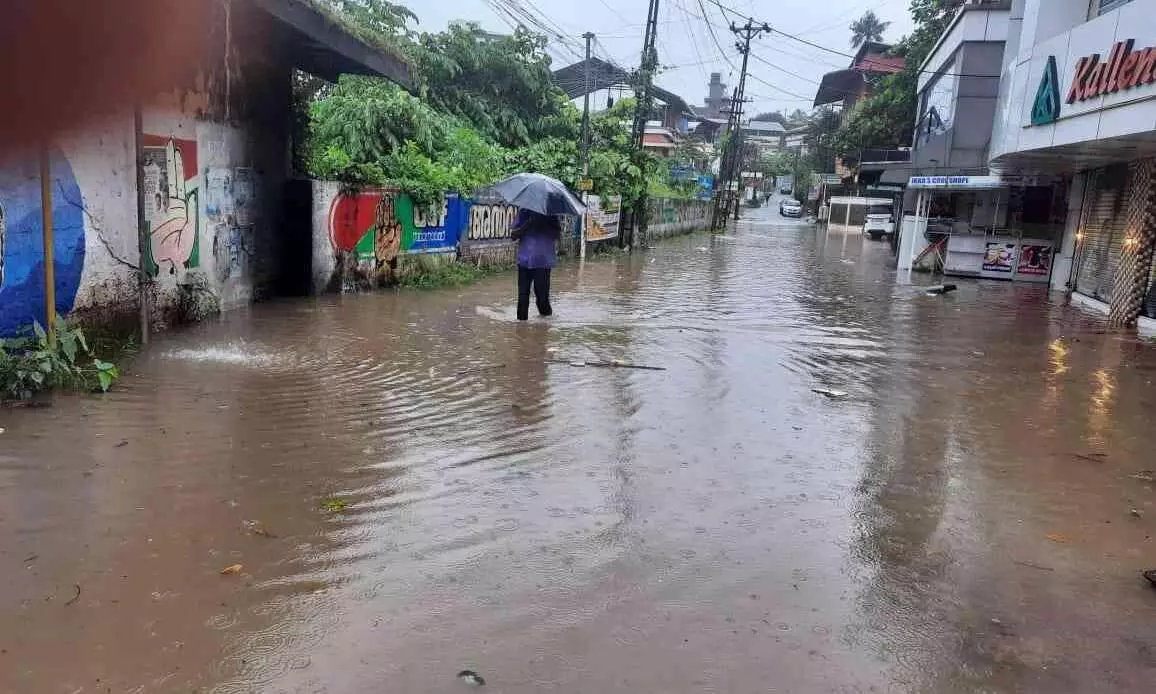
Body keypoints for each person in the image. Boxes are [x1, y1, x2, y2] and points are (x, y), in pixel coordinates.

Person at [510, 209, 560, 321]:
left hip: (543, 263)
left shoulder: (551, 215)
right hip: (524, 261)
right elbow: (513, 235)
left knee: (542, 299)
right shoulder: (524, 212)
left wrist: (543, 225)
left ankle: (545, 326)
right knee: (522, 299)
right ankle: (521, 330)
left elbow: (557, 235)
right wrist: (528, 224)